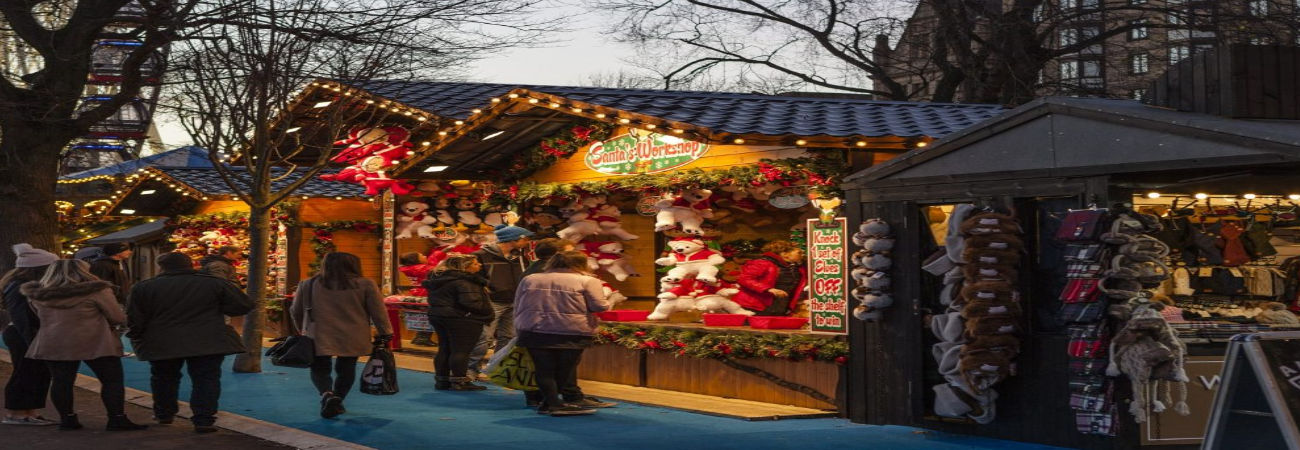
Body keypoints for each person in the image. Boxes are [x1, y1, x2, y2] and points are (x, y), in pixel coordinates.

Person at [127, 252, 252, 433]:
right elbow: (243, 305)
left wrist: (137, 336)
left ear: (161, 266)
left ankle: (164, 414)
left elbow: (135, 317)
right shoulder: (213, 283)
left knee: (164, 378)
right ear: (191, 264)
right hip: (208, 339)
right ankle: (204, 419)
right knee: (206, 379)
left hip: (163, 340)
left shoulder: (144, 287)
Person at [20, 259, 147, 431]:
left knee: (61, 381)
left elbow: (37, 317)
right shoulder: (97, 291)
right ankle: (116, 418)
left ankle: (68, 419)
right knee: (111, 380)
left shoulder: (38, 295)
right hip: (95, 341)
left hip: (54, 341)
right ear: (85, 271)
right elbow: (117, 317)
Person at [290, 252, 393, 419]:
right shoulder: (366, 284)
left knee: (319, 368)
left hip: (318, 333)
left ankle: (327, 394)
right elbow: (378, 312)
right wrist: (385, 332)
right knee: (347, 368)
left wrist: (302, 329)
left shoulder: (308, 284)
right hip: (354, 333)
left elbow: (295, 311)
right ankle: (338, 398)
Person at [513, 251, 614, 416]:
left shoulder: (530, 279)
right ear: (581, 264)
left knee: (543, 369)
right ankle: (554, 404)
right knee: (564, 370)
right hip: (570, 330)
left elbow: (518, 304)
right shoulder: (588, 281)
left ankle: (549, 403)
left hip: (533, 329)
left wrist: (519, 326)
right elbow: (599, 307)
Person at [466, 224, 534, 378]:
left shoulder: (521, 257)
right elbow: (471, 274)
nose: (527, 241)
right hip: (492, 301)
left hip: (516, 301)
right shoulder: (481, 255)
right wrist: (486, 286)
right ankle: (471, 369)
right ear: (512, 240)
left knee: (508, 337)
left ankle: (496, 369)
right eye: (525, 238)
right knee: (484, 337)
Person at [1, 244, 56, 426]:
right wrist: (32, 341)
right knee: (26, 371)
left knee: (35, 372)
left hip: (25, 333)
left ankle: (28, 411)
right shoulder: (20, 287)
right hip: (24, 335)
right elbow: (22, 317)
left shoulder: (18, 284)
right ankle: (17, 412)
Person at [423, 254, 493, 391]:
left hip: (439, 316)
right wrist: (487, 313)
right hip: (461, 319)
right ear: (465, 266)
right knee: (461, 351)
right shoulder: (466, 281)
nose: (479, 265)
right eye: (475, 263)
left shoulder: (439, 279)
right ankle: (460, 381)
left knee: (445, 348)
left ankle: (442, 380)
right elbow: (472, 303)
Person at [731, 240, 808, 316]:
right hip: (754, 307)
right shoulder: (762, 263)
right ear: (785, 254)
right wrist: (768, 289)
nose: (802, 255)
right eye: (799, 253)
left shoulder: (795, 267)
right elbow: (745, 279)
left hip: (779, 307)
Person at [399, 252, 436, 346]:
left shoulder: (411, 268)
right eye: (422, 256)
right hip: (424, 293)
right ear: (416, 260)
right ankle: (423, 338)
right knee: (427, 316)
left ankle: (419, 337)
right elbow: (437, 269)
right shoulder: (421, 268)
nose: (425, 256)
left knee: (421, 316)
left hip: (416, 292)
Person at [88, 242, 133, 307]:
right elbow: (99, 284)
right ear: (117, 252)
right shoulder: (102, 265)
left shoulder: (120, 263)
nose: (130, 252)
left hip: (120, 300)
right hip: (109, 301)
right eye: (126, 250)